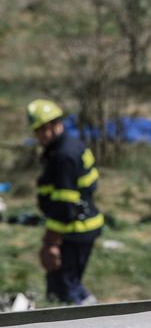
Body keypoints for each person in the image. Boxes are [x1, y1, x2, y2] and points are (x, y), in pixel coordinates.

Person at [27, 99, 103, 305]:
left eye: (46, 127)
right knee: (70, 284)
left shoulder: (63, 156)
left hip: (74, 231)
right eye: (38, 129)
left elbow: (64, 205)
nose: (42, 134)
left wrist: (51, 243)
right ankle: (91, 307)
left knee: (62, 291)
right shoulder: (70, 146)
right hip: (79, 227)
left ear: (56, 124)